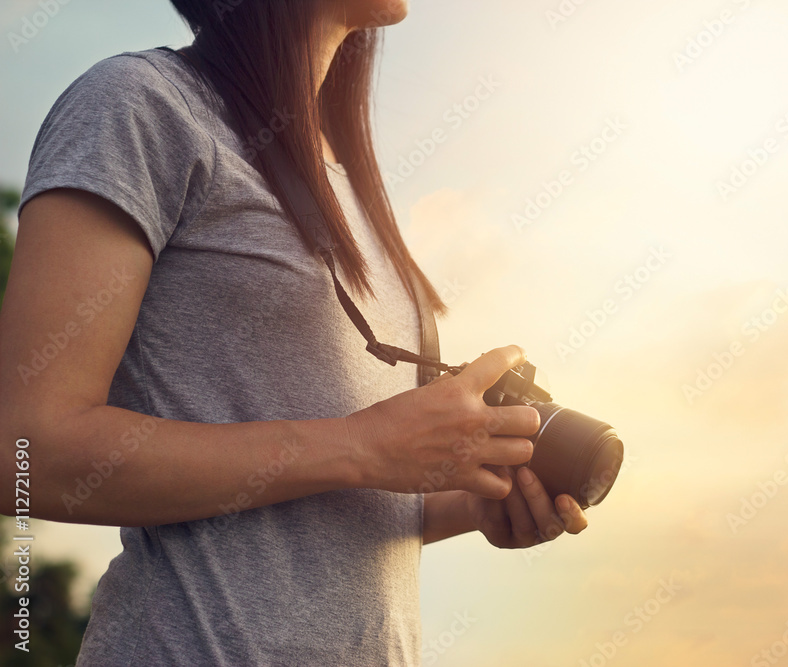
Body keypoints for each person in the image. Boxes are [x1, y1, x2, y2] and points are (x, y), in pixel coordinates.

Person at [0, 1, 589, 664]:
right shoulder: (137, 106)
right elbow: (26, 451)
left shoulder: (344, 183)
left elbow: (330, 499)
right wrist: (358, 446)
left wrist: (474, 501)